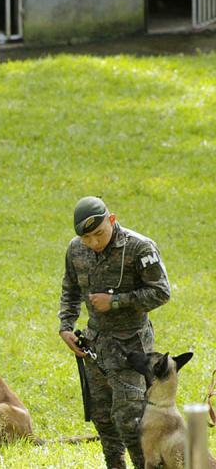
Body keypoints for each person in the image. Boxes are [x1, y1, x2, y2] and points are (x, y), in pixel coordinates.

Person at [59, 196, 170, 469]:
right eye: (87, 238)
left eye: (99, 234)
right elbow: (70, 290)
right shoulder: (76, 250)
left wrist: (117, 301)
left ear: (112, 219)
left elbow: (161, 292)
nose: (94, 243)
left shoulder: (139, 248)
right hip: (96, 346)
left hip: (132, 347)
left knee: (131, 419)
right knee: (103, 418)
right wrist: (66, 326)